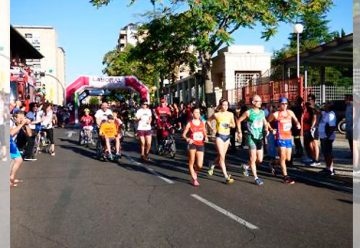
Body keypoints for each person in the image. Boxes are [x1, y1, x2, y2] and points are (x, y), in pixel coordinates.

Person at [267, 97, 301, 184]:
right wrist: (271, 129)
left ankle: (273, 163)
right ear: (279, 104)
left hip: (288, 137)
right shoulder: (276, 114)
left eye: (286, 104)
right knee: (282, 157)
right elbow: (267, 122)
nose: (284, 106)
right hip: (280, 137)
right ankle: (286, 177)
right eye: (283, 104)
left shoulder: (290, 112)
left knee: (288, 158)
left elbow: (296, 120)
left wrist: (297, 124)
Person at [237, 95, 269, 186]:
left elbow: (265, 122)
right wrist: (239, 132)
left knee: (260, 159)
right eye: (258, 101)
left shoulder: (262, 112)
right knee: (253, 158)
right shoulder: (248, 112)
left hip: (259, 137)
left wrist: (266, 129)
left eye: (260, 100)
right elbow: (239, 121)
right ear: (253, 102)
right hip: (251, 137)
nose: (260, 102)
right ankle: (256, 177)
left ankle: (246, 166)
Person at [207, 99, 235, 184]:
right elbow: (208, 121)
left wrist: (229, 125)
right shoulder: (217, 115)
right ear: (220, 105)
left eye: (227, 105)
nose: (225, 107)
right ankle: (226, 177)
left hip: (227, 137)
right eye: (223, 105)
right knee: (222, 157)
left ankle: (212, 164)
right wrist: (212, 129)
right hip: (219, 136)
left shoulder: (230, 114)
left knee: (221, 156)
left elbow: (234, 125)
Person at [182, 107, 208, 186]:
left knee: (200, 165)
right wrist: (187, 139)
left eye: (199, 112)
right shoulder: (190, 123)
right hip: (192, 144)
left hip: (200, 144)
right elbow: (183, 134)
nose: (198, 114)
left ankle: (194, 171)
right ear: (192, 114)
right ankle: (194, 179)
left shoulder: (202, 122)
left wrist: (206, 137)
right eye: (196, 112)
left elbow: (204, 132)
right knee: (192, 161)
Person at [10, 111, 31, 187]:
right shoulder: (10, 122)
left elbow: (29, 134)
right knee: (17, 160)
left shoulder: (19, 124)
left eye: (23, 118)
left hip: (11, 143)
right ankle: (10, 178)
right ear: (15, 118)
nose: (21, 120)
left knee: (16, 160)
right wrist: (22, 124)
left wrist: (26, 125)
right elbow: (11, 133)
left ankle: (11, 177)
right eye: (20, 118)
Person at [318, 102, 337, 176]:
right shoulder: (325, 113)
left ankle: (331, 170)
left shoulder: (331, 114)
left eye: (326, 104)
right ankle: (327, 168)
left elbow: (332, 127)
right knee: (325, 153)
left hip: (327, 137)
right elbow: (318, 111)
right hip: (323, 136)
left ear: (329, 106)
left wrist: (327, 137)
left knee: (328, 153)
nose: (324, 105)